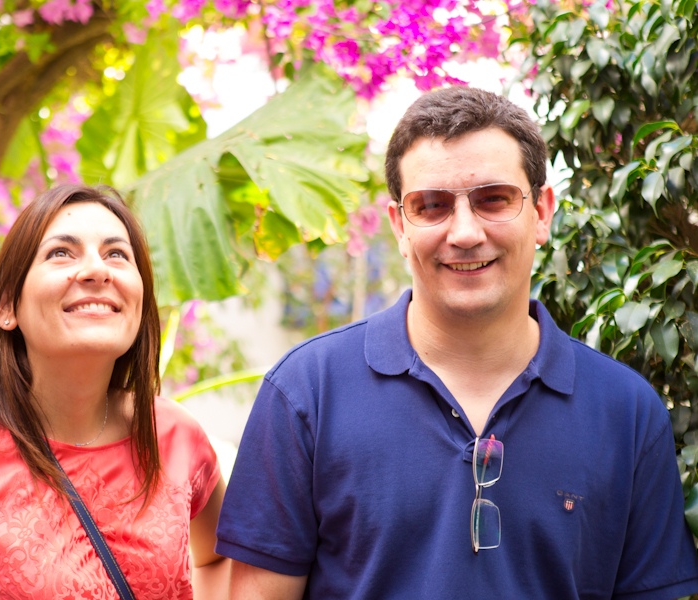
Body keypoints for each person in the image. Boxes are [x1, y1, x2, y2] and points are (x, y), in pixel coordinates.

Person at [215, 86, 698, 599]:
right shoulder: (306, 393)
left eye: (494, 199)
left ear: (541, 211)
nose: (465, 232)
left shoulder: (626, 412)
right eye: (432, 206)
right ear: (400, 225)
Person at [0, 184, 229, 599]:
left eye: (116, 254)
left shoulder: (175, 435)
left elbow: (218, 557)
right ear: (7, 306)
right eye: (61, 252)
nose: (97, 271)